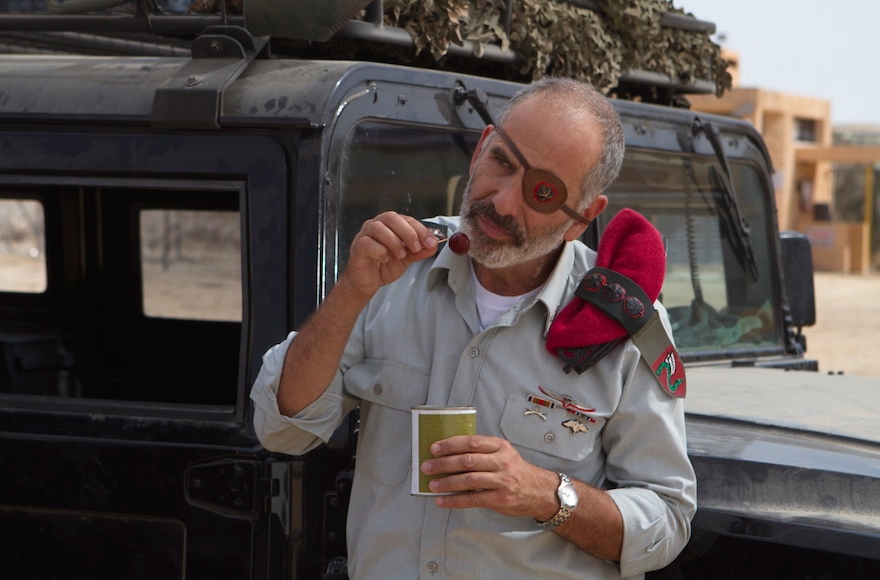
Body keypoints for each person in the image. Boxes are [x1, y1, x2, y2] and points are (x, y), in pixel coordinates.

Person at [250, 77, 696, 579]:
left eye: (542, 191)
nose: (503, 202)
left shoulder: (626, 326)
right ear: (482, 147)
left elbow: (669, 518)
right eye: (502, 162)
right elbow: (280, 429)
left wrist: (544, 495)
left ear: (581, 218)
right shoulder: (395, 271)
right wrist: (350, 293)